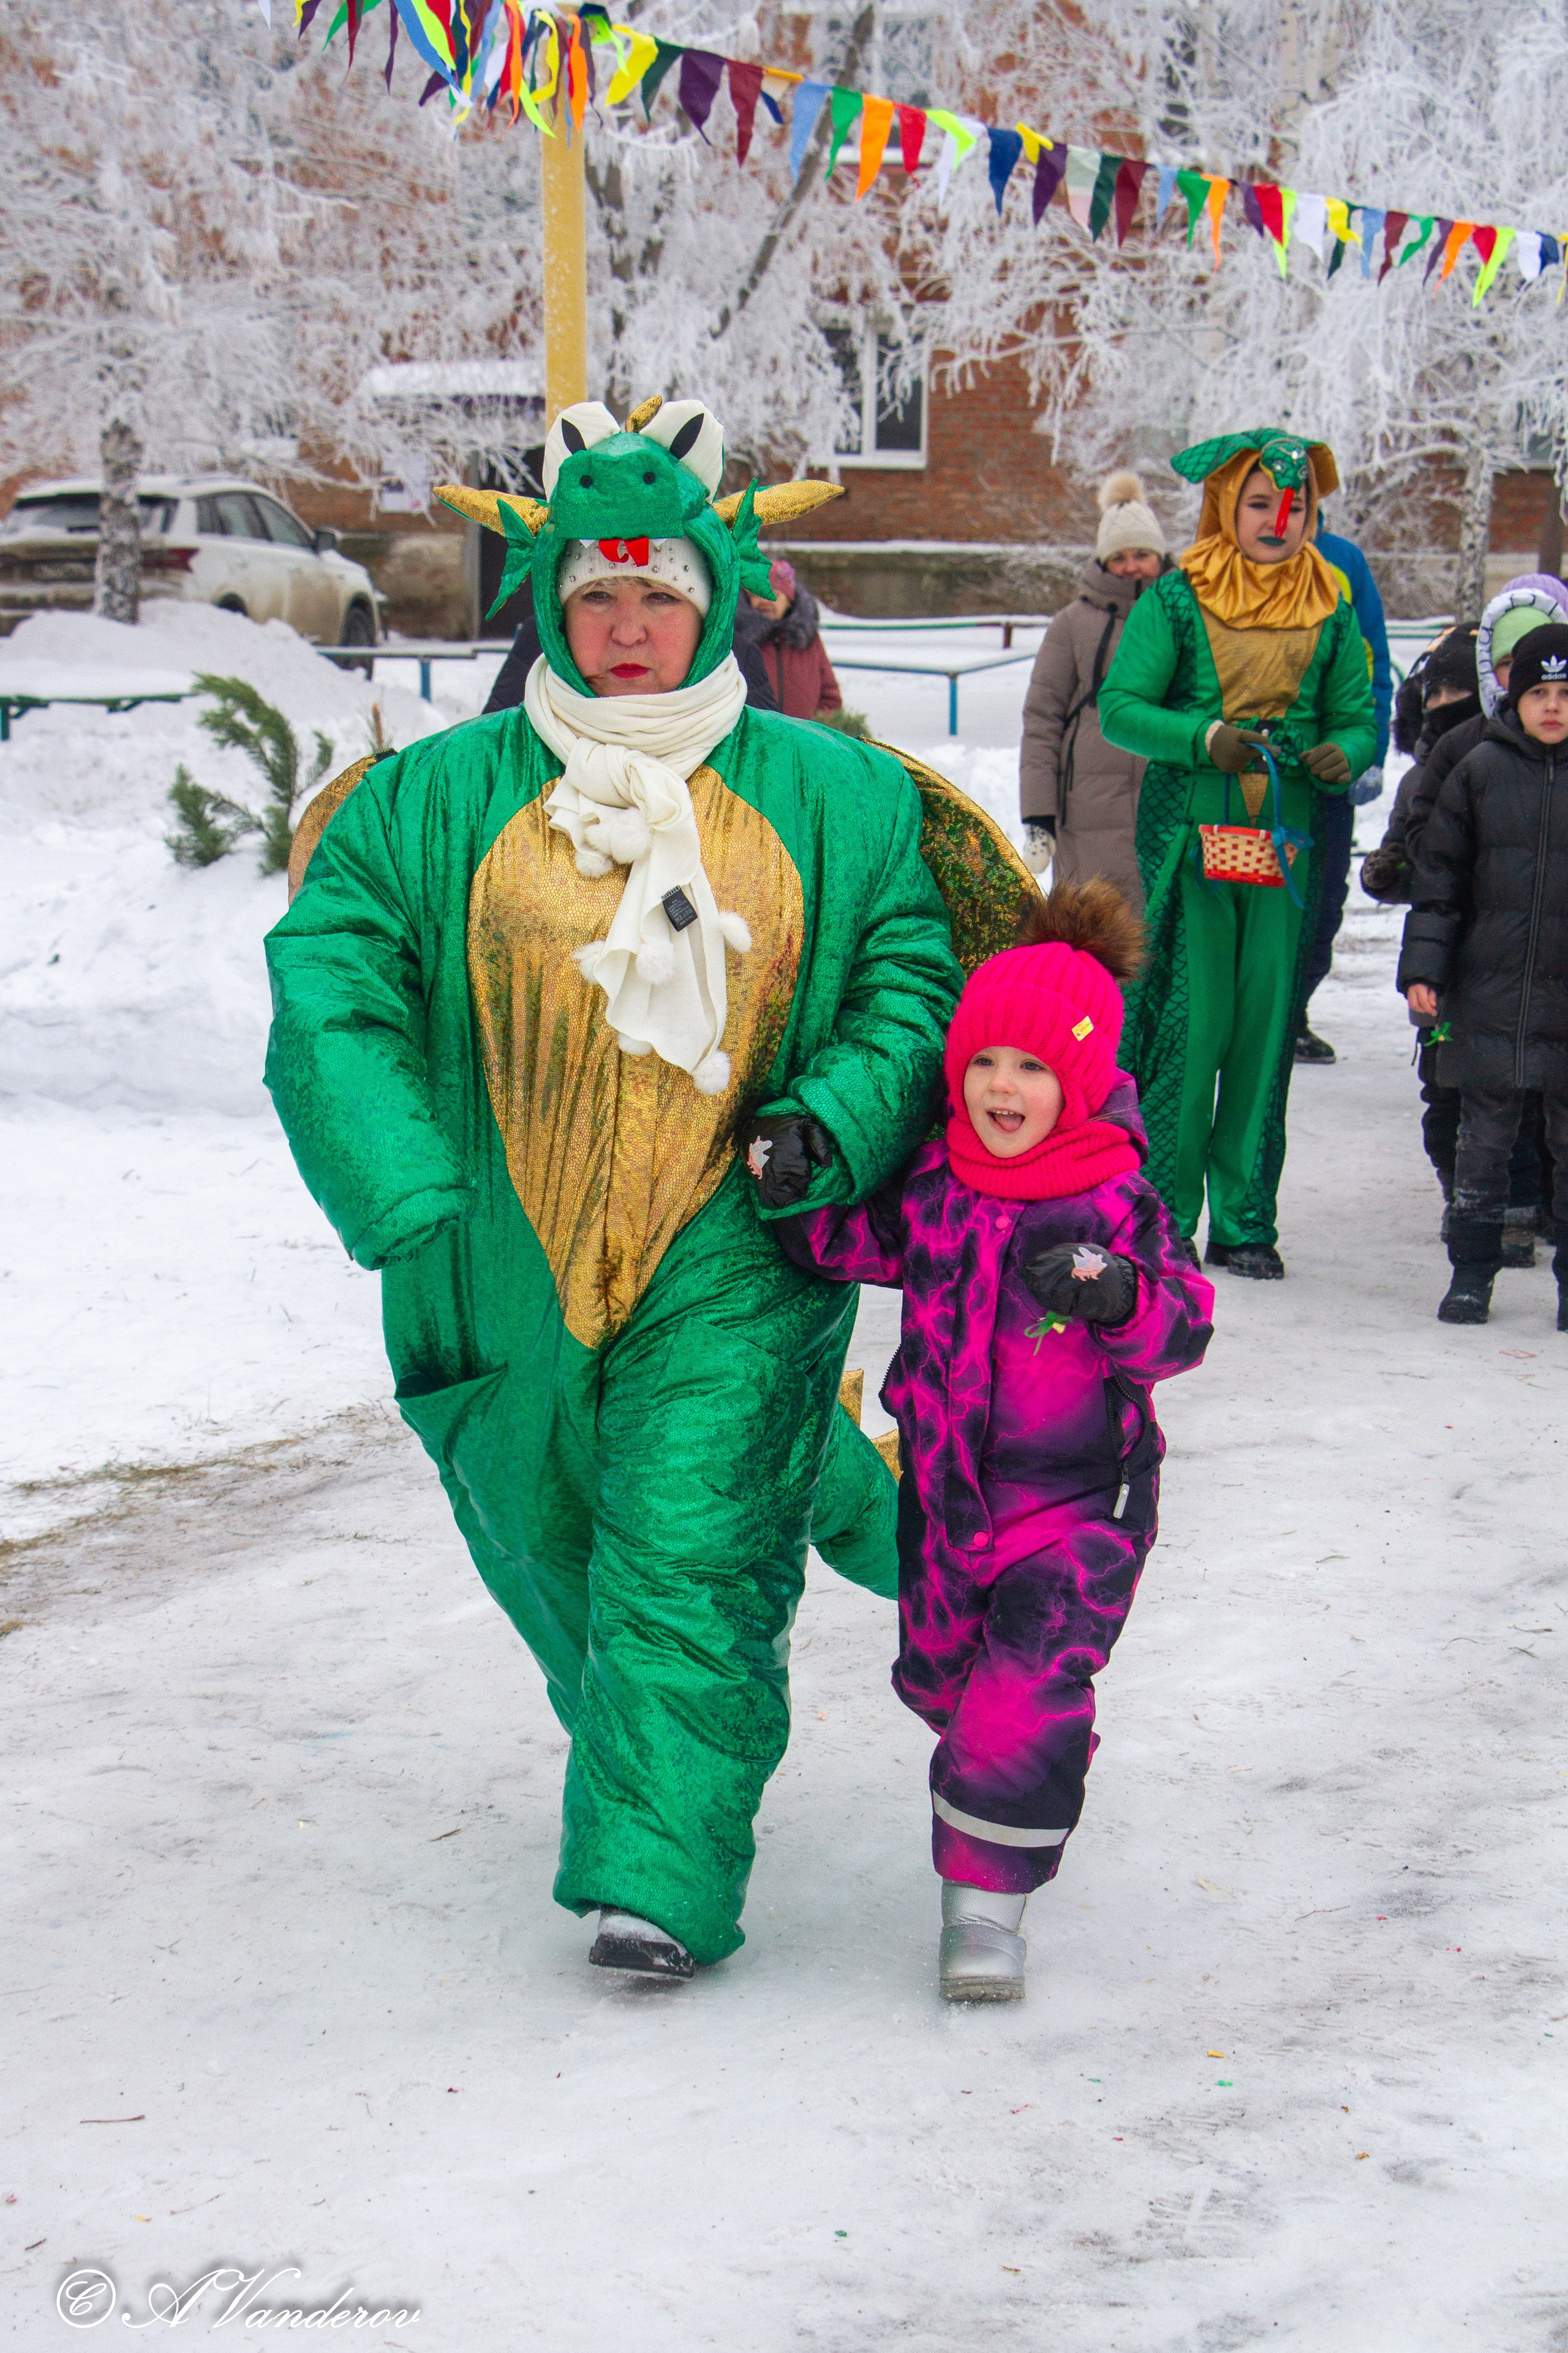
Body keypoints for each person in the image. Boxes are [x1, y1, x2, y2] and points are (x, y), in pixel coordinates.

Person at [265, 394, 968, 1981]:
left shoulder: (837, 798)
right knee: (552, 1534)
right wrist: (396, 1177)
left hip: (738, 1241)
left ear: (715, 599)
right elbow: (333, 970)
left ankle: (661, 1870)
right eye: (598, 596)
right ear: (554, 605)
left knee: (691, 1543)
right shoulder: (430, 798)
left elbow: (912, 983)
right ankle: (684, 1726)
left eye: (660, 595)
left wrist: (839, 1120)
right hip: (496, 1262)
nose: (631, 626)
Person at [764, 880, 1213, 2001]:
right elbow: (849, 1242)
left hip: (1077, 1509)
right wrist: (796, 1180)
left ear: (1083, 1080)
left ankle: (984, 1916)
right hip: (949, 1497)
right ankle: (1033, 1750)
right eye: (985, 1064)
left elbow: (1183, 1324)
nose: (1004, 1088)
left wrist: (1114, 1299)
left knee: (1020, 1699)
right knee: (952, 1692)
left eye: (1034, 1067)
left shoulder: (1114, 1203)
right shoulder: (937, 1181)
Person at [1098, 429, 1377, 1278]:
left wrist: (1349, 752)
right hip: (1195, 846)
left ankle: (1249, 1218)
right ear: (1227, 507)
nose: (1279, 520)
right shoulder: (1180, 600)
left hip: (1287, 851)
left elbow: (1355, 716)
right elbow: (1121, 706)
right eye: (1261, 503)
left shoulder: (1330, 602)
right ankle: (1166, 1216)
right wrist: (1202, 736)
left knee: (1262, 1034)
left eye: (1295, 507)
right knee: (1191, 1026)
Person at [1399, 623, 1568, 1326]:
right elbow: (1440, 882)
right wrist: (1425, 969)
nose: (1553, 706)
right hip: (1488, 993)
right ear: (1513, 697)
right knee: (1484, 1142)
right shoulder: (1479, 769)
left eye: (1565, 693)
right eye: (1539, 692)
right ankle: (1472, 1271)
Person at [1018, 470, 1169, 907]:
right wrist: (1039, 815)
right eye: (1119, 556)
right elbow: (1042, 719)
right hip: (1087, 814)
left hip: (1166, 806)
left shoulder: (1183, 619)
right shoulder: (1072, 625)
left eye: (1142, 554)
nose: (1131, 566)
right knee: (1095, 936)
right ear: (1102, 560)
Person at [1294, 516, 1393, 1063]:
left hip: (1328, 770)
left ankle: (1293, 1014)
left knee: (1324, 900)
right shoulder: (1221, 566)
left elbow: (1373, 660)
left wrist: (1368, 753)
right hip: (1255, 771)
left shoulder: (1342, 562)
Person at [483, 589, 780, 714]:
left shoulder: (789, 772)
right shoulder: (480, 770)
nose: (627, 635)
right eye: (598, 596)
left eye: (660, 597)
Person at [730, 556, 843, 721]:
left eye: (773, 595)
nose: (764, 601)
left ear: (789, 601)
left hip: (801, 741)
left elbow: (830, 698)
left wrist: (818, 727)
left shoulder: (808, 639)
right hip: (753, 740)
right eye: (756, 594)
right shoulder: (738, 640)